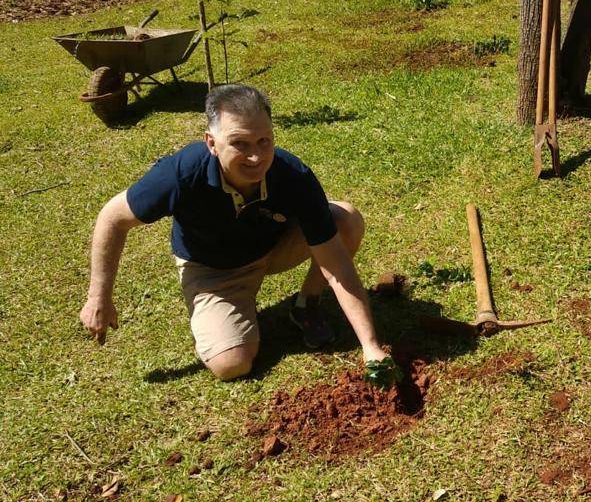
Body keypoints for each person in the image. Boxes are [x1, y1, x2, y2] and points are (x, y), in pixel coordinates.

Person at [79, 84, 400, 387]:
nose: (256, 157)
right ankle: (228, 314)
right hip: (213, 270)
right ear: (211, 143)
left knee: (345, 220)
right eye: (240, 144)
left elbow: (336, 264)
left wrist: (370, 346)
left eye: (264, 141)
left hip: (272, 246)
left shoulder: (292, 175)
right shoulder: (180, 175)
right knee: (231, 364)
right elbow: (113, 218)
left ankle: (306, 305)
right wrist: (99, 298)